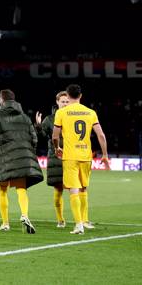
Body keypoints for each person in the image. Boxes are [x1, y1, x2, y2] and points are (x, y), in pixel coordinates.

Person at [0, 89, 43, 234]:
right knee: (21, 188)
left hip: (4, 155)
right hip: (23, 155)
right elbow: (34, 138)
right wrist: (29, 153)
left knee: (3, 190)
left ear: (1, 100)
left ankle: (5, 223)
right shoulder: (24, 117)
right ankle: (24, 215)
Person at [53, 84, 110, 235]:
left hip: (70, 156)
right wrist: (105, 155)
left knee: (73, 190)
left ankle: (79, 224)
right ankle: (85, 220)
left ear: (68, 95)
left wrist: (57, 147)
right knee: (83, 188)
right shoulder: (90, 113)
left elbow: (55, 135)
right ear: (80, 96)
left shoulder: (62, 112)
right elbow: (101, 135)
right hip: (86, 155)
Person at [35, 91, 70, 227]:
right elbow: (42, 137)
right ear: (57, 102)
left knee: (77, 188)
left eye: (67, 101)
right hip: (56, 157)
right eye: (63, 101)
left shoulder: (74, 117)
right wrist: (38, 126)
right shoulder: (49, 119)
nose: (65, 104)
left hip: (72, 155)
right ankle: (60, 220)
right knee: (58, 189)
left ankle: (82, 219)